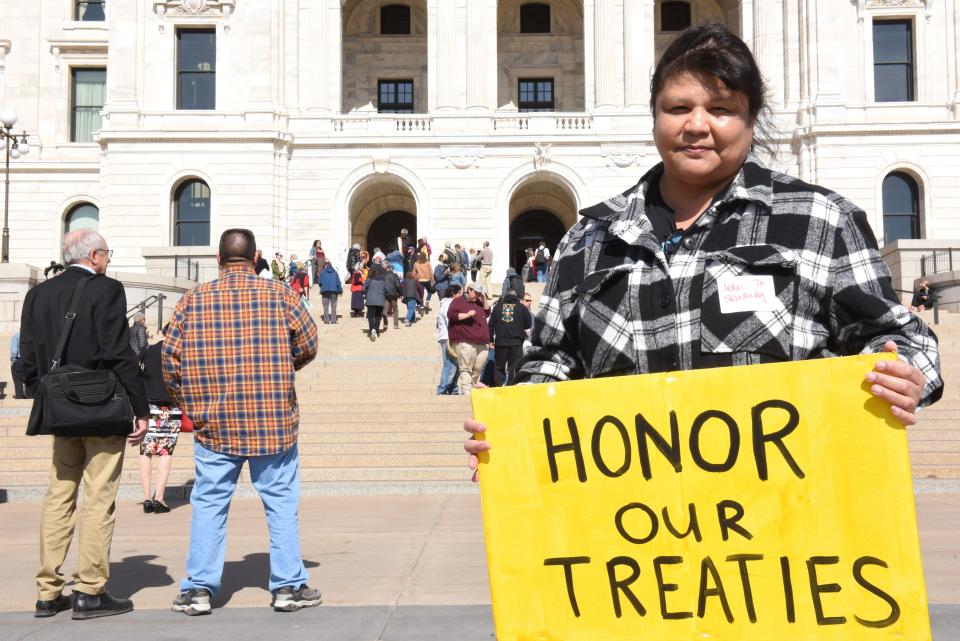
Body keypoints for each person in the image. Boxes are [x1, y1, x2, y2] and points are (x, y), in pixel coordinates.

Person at [465, 22, 941, 479]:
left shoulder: (819, 220)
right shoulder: (588, 240)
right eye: (678, 109)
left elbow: (906, 342)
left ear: (751, 119)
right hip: (631, 533)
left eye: (721, 109)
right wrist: (510, 424)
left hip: (790, 529)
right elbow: (552, 361)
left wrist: (898, 373)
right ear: (654, 116)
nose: (697, 125)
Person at [162, 228, 320, 616]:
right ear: (256, 257)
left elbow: (170, 361)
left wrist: (192, 404)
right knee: (281, 503)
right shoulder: (282, 295)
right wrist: (283, 371)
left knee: (210, 504)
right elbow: (309, 344)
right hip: (273, 420)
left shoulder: (193, 300)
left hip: (214, 422)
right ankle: (288, 586)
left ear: (218, 259)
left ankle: (199, 588)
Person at [20, 229, 149, 619]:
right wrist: (140, 406)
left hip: (60, 407)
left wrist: (40, 390)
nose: (108, 259)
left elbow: (26, 355)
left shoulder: (38, 294)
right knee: (98, 496)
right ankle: (90, 590)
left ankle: (47, 591)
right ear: (93, 255)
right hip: (102, 407)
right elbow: (117, 351)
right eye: (107, 253)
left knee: (59, 493)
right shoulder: (106, 289)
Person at [138, 325, 181, 514]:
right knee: (165, 451)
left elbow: (138, 376)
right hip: (171, 408)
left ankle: (147, 497)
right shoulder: (178, 353)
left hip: (148, 408)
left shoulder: (148, 352)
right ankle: (159, 498)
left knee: (145, 452)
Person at [447, 283, 491, 395]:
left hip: (481, 342)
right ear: (469, 290)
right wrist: (467, 315)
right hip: (465, 340)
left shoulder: (478, 302)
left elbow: (487, 312)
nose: (477, 295)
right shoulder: (458, 301)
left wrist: (484, 298)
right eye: (475, 292)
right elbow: (451, 315)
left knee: (478, 368)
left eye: (479, 293)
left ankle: (472, 388)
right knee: (466, 368)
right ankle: (467, 393)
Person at [488, 289, 533, 387]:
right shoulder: (521, 308)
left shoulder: (497, 307)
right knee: (514, 368)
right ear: (516, 296)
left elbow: (490, 325)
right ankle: (511, 388)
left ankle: (498, 388)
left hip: (500, 343)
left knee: (499, 367)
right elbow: (528, 324)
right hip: (516, 344)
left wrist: (491, 339)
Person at [436, 284, 461, 395]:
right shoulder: (448, 304)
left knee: (456, 364)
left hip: (449, 336)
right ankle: (442, 389)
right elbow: (450, 320)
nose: (461, 295)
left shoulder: (449, 303)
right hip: (448, 337)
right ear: (453, 294)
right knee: (450, 364)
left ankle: (453, 388)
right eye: (459, 293)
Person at [364, 257, 387, 341]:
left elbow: (363, 288)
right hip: (380, 300)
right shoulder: (383, 280)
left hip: (370, 300)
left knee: (370, 316)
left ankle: (372, 330)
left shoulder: (369, 279)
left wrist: (366, 294)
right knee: (378, 316)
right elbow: (386, 289)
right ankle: (376, 330)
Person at [318, 260, 343, 324]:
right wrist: (340, 291)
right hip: (334, 291)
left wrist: (322, 286)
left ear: (326, 266)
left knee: (325, 306)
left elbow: (320, 282)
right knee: (333, 306)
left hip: (325, 291)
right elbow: (338, 283)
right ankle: (333, 320)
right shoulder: (335, 273)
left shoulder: (323, 272)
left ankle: (326, 320)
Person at [383, 261, 402, 331]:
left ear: (387, 269)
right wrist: (401, 294)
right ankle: (396, 325)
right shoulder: (395, 275)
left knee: (385, 309)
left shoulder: (384, 275)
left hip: (386, 294)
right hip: (394, 294)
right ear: (393, 269)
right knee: (395, 309)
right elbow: (398, 285)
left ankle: (385, 324)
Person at [10, 330, 26, 398]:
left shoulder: (16, 336)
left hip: (19, 360)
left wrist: (13, 361)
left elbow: (14, 350)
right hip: (29, 361)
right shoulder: (31, 335)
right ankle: (28, 395)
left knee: (18, 380)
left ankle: (19, 396)